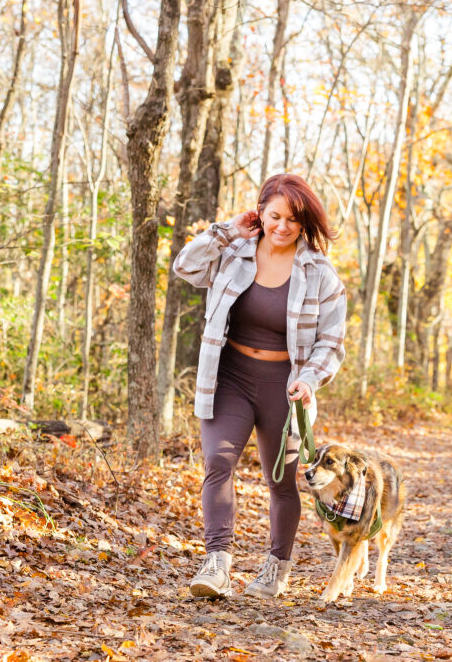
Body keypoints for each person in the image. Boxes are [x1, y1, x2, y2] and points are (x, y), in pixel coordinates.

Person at [172, 174, 347, 599]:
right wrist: (227, 229)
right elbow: (185, 266)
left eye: (292, 219)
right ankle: (217, 565)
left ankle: (275, 570)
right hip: (229, 375)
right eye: (274, 216)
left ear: (304, 223)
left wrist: (308, 379)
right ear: (260, 212)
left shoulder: (320, 273)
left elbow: (332, 340)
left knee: (281, 482)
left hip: (284, 388)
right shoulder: (233, 251)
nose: (282, 227)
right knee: (218, 462)